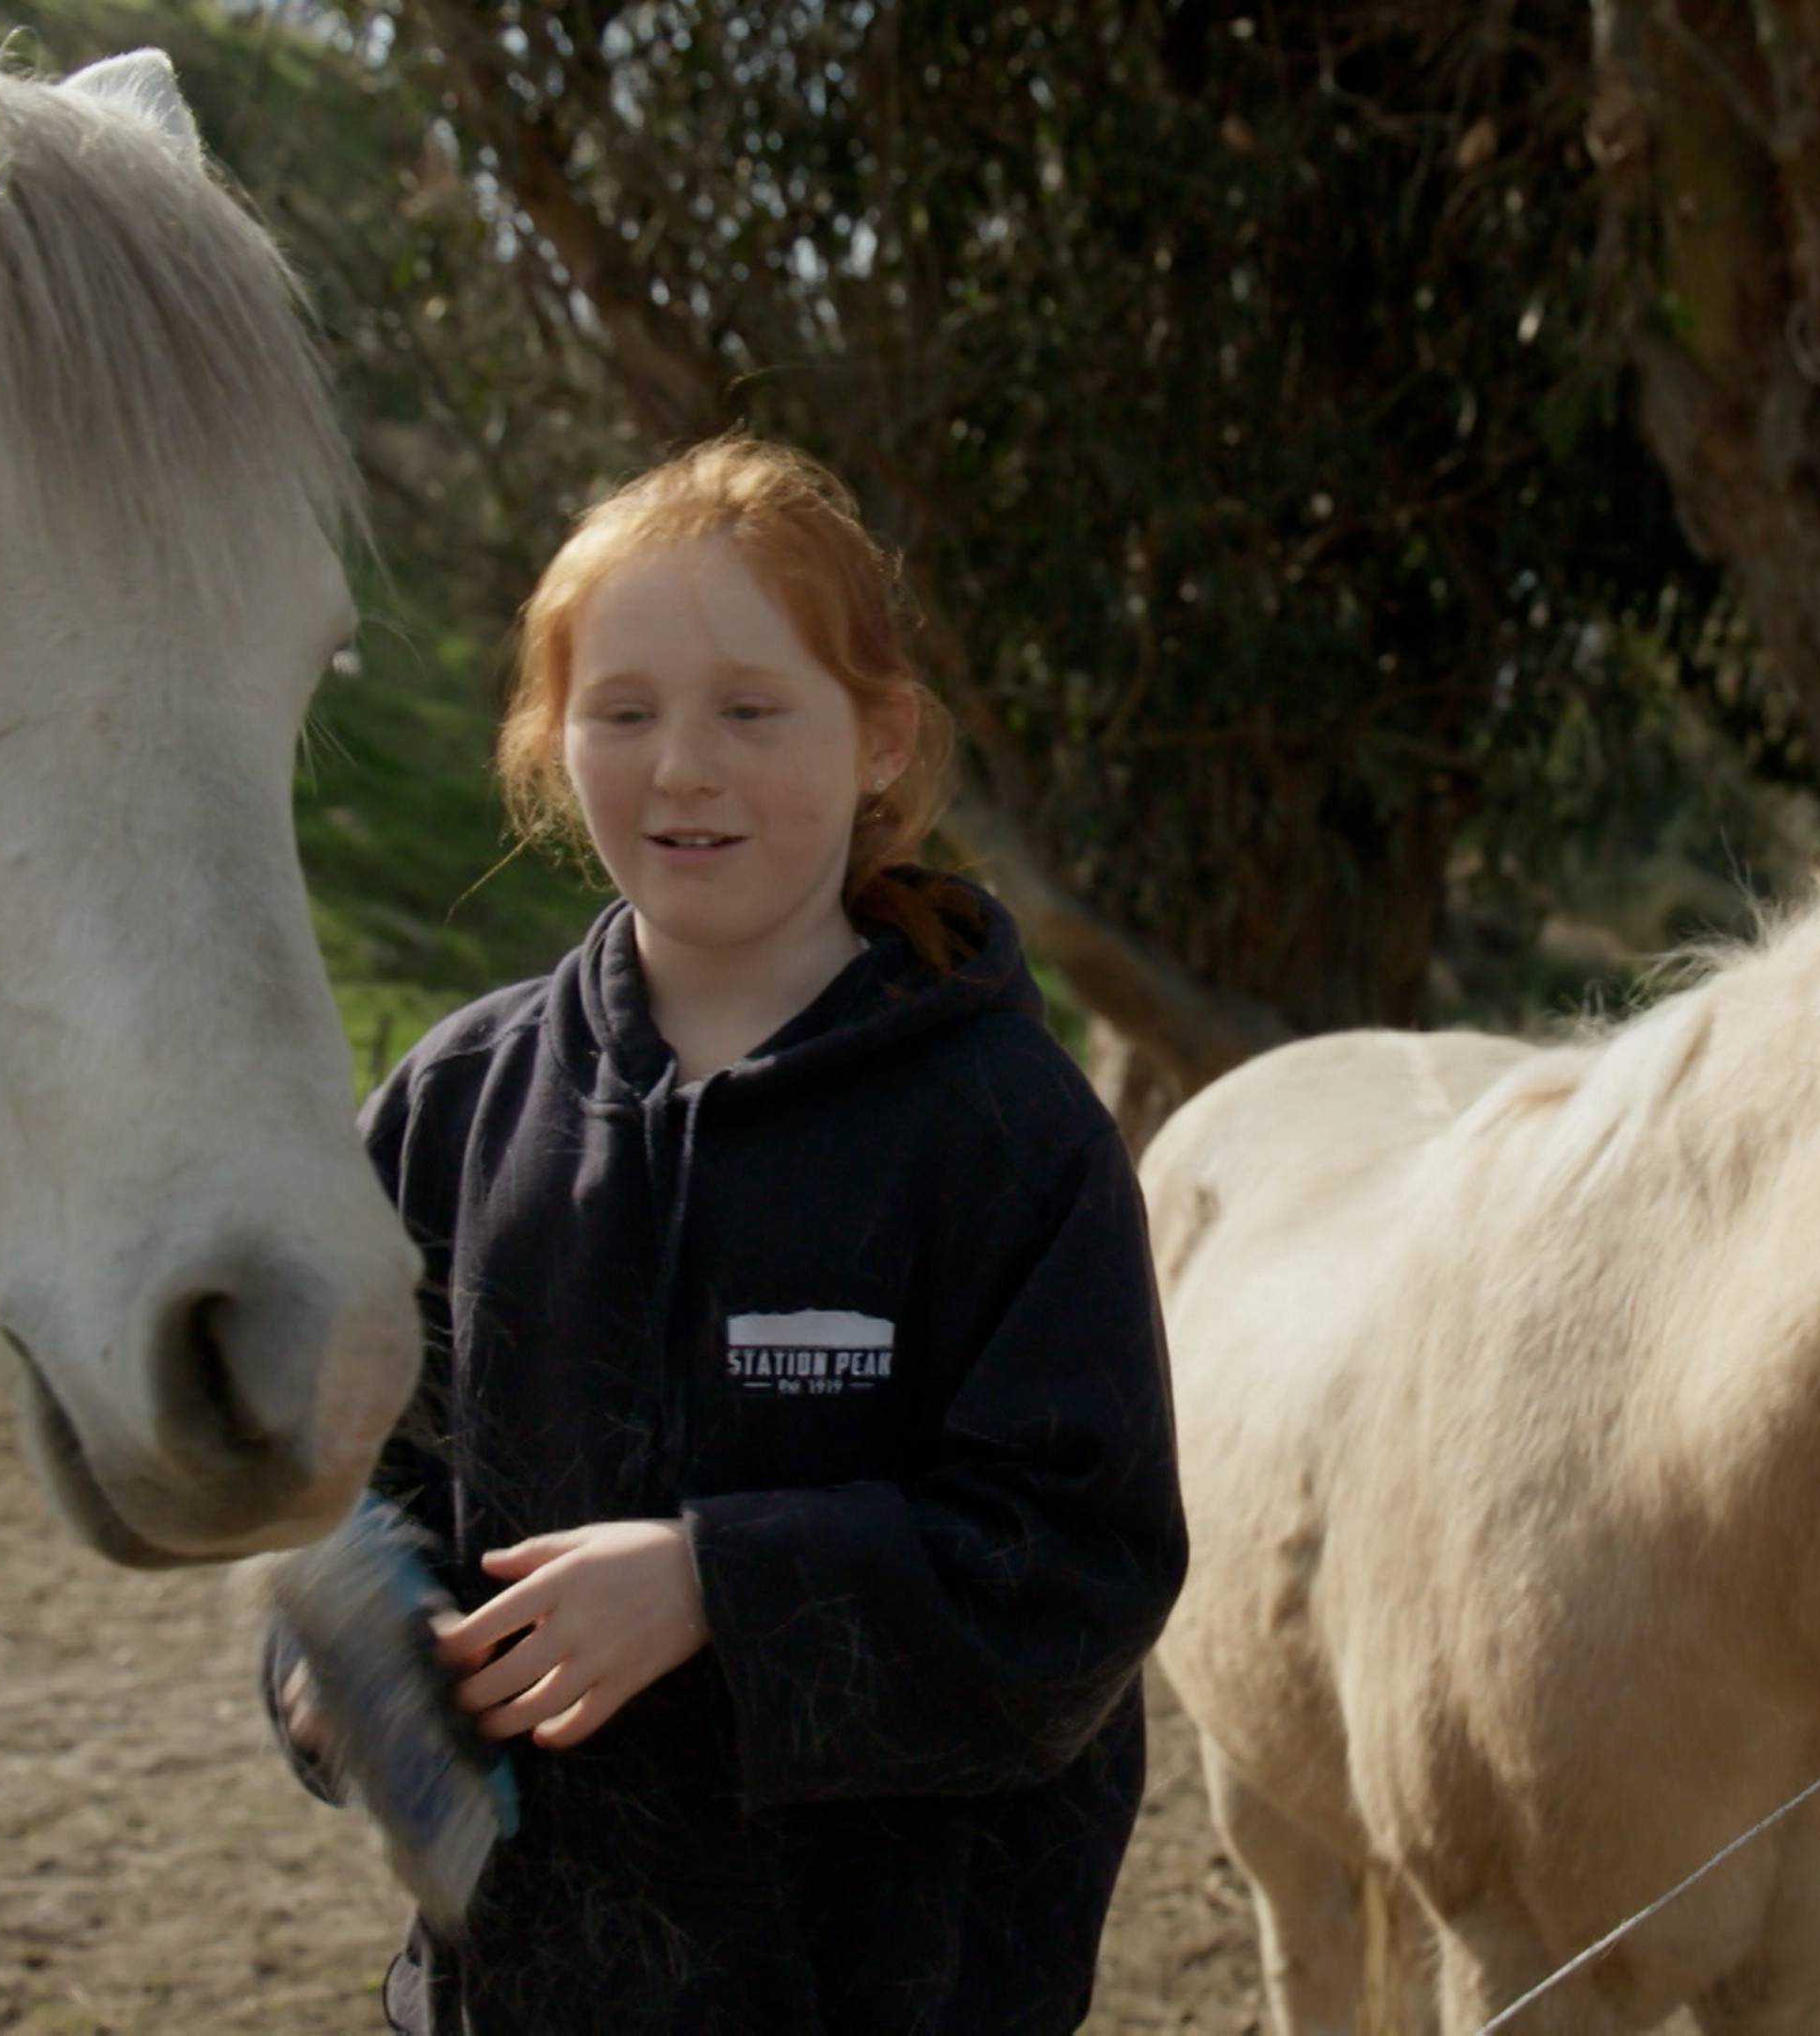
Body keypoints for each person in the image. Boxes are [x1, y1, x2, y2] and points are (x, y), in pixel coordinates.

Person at [265, 435, 1188, 2033]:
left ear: (882, 742)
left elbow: (1080, 1581)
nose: (680, 766)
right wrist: (339, 1674)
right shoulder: (455, 1105)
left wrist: (717, 1588)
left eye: (751, 711)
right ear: (555, 743)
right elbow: (355, 1491)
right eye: (621, 713)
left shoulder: (1005, 1134)